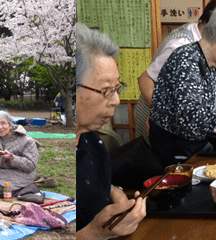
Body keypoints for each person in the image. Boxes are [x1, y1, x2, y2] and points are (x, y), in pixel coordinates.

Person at [150, 4, 216, 164]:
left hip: (192, 146)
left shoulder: (207, 64)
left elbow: (203, 112)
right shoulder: (187, 61)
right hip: (175, 151)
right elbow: (190, 120)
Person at [75, 22, 146, 239]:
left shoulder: (92, 142)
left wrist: (115, 193)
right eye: (106, 90)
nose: (116, 100)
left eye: (116, 88)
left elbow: (92, 183)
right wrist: (93, 233)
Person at [134, 0, 216, 145]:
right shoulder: (182, 43)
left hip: (177, 125)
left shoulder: (206, 44)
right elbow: (145, 79)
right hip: (153, 119)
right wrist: (158, 112)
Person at [0, 110, 43, 204]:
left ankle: (29, 188)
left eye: (3, 123)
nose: (0, 127)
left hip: (20, 174)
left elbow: (31, 165)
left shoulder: (26, 141)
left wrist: (11, 158)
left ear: (10, 124)